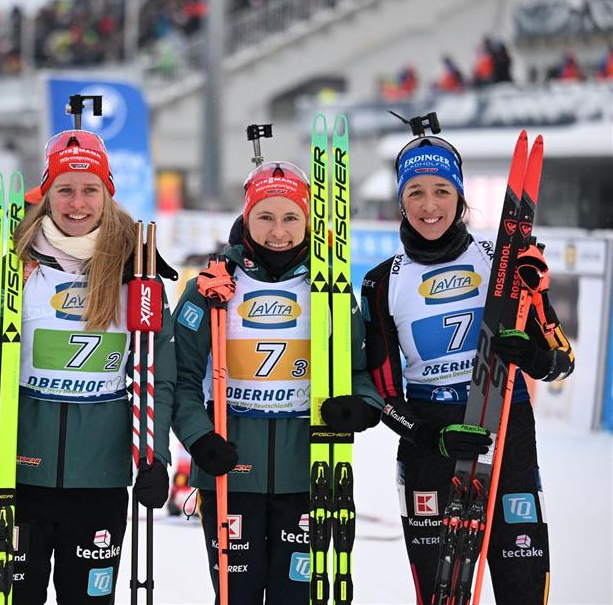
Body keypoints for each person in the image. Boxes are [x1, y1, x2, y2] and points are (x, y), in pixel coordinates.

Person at [0, 128, 177, 604]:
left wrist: (155, 458)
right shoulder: (11, 271)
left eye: (90, 189)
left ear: (107, 194)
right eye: (64, 189)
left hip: (101, 480)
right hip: (14, 473)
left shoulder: (138, 274)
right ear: (45, 194)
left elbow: (158, 376)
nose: (77, 202)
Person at [360, 127, 575, 604]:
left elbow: (561, 361)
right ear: (401, 201)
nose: (429, 204)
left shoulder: (504, 262)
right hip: (429, 445)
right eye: (415, 192)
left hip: (506, 435)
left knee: (522, 589)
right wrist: (429, 434)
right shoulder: (381, 284)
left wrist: (533, 355)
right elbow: (380, 396)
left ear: (460, 197)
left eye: (442, 190)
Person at [171, 160, 382, 604]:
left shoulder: (330, 288)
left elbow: (360, 370)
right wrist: (199, 437)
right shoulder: (213, 285)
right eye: (265, 216)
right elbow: (180, 377)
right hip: (230, 472)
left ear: (308, 221)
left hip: (308, 474)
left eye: (291, 217)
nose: (278, 231)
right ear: (246, 218)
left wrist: (362, 406)